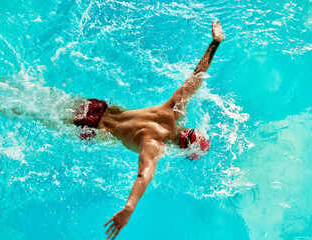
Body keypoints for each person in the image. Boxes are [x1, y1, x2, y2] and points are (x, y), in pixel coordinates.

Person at [88, 20, 223, 240]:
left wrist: (215, 42)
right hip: (90, 128)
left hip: (98, 108)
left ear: (187, 130)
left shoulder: (172, 112)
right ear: (183, 151)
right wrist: (129, 207)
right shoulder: (154, 145)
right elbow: (144, 175)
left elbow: (196, 76)